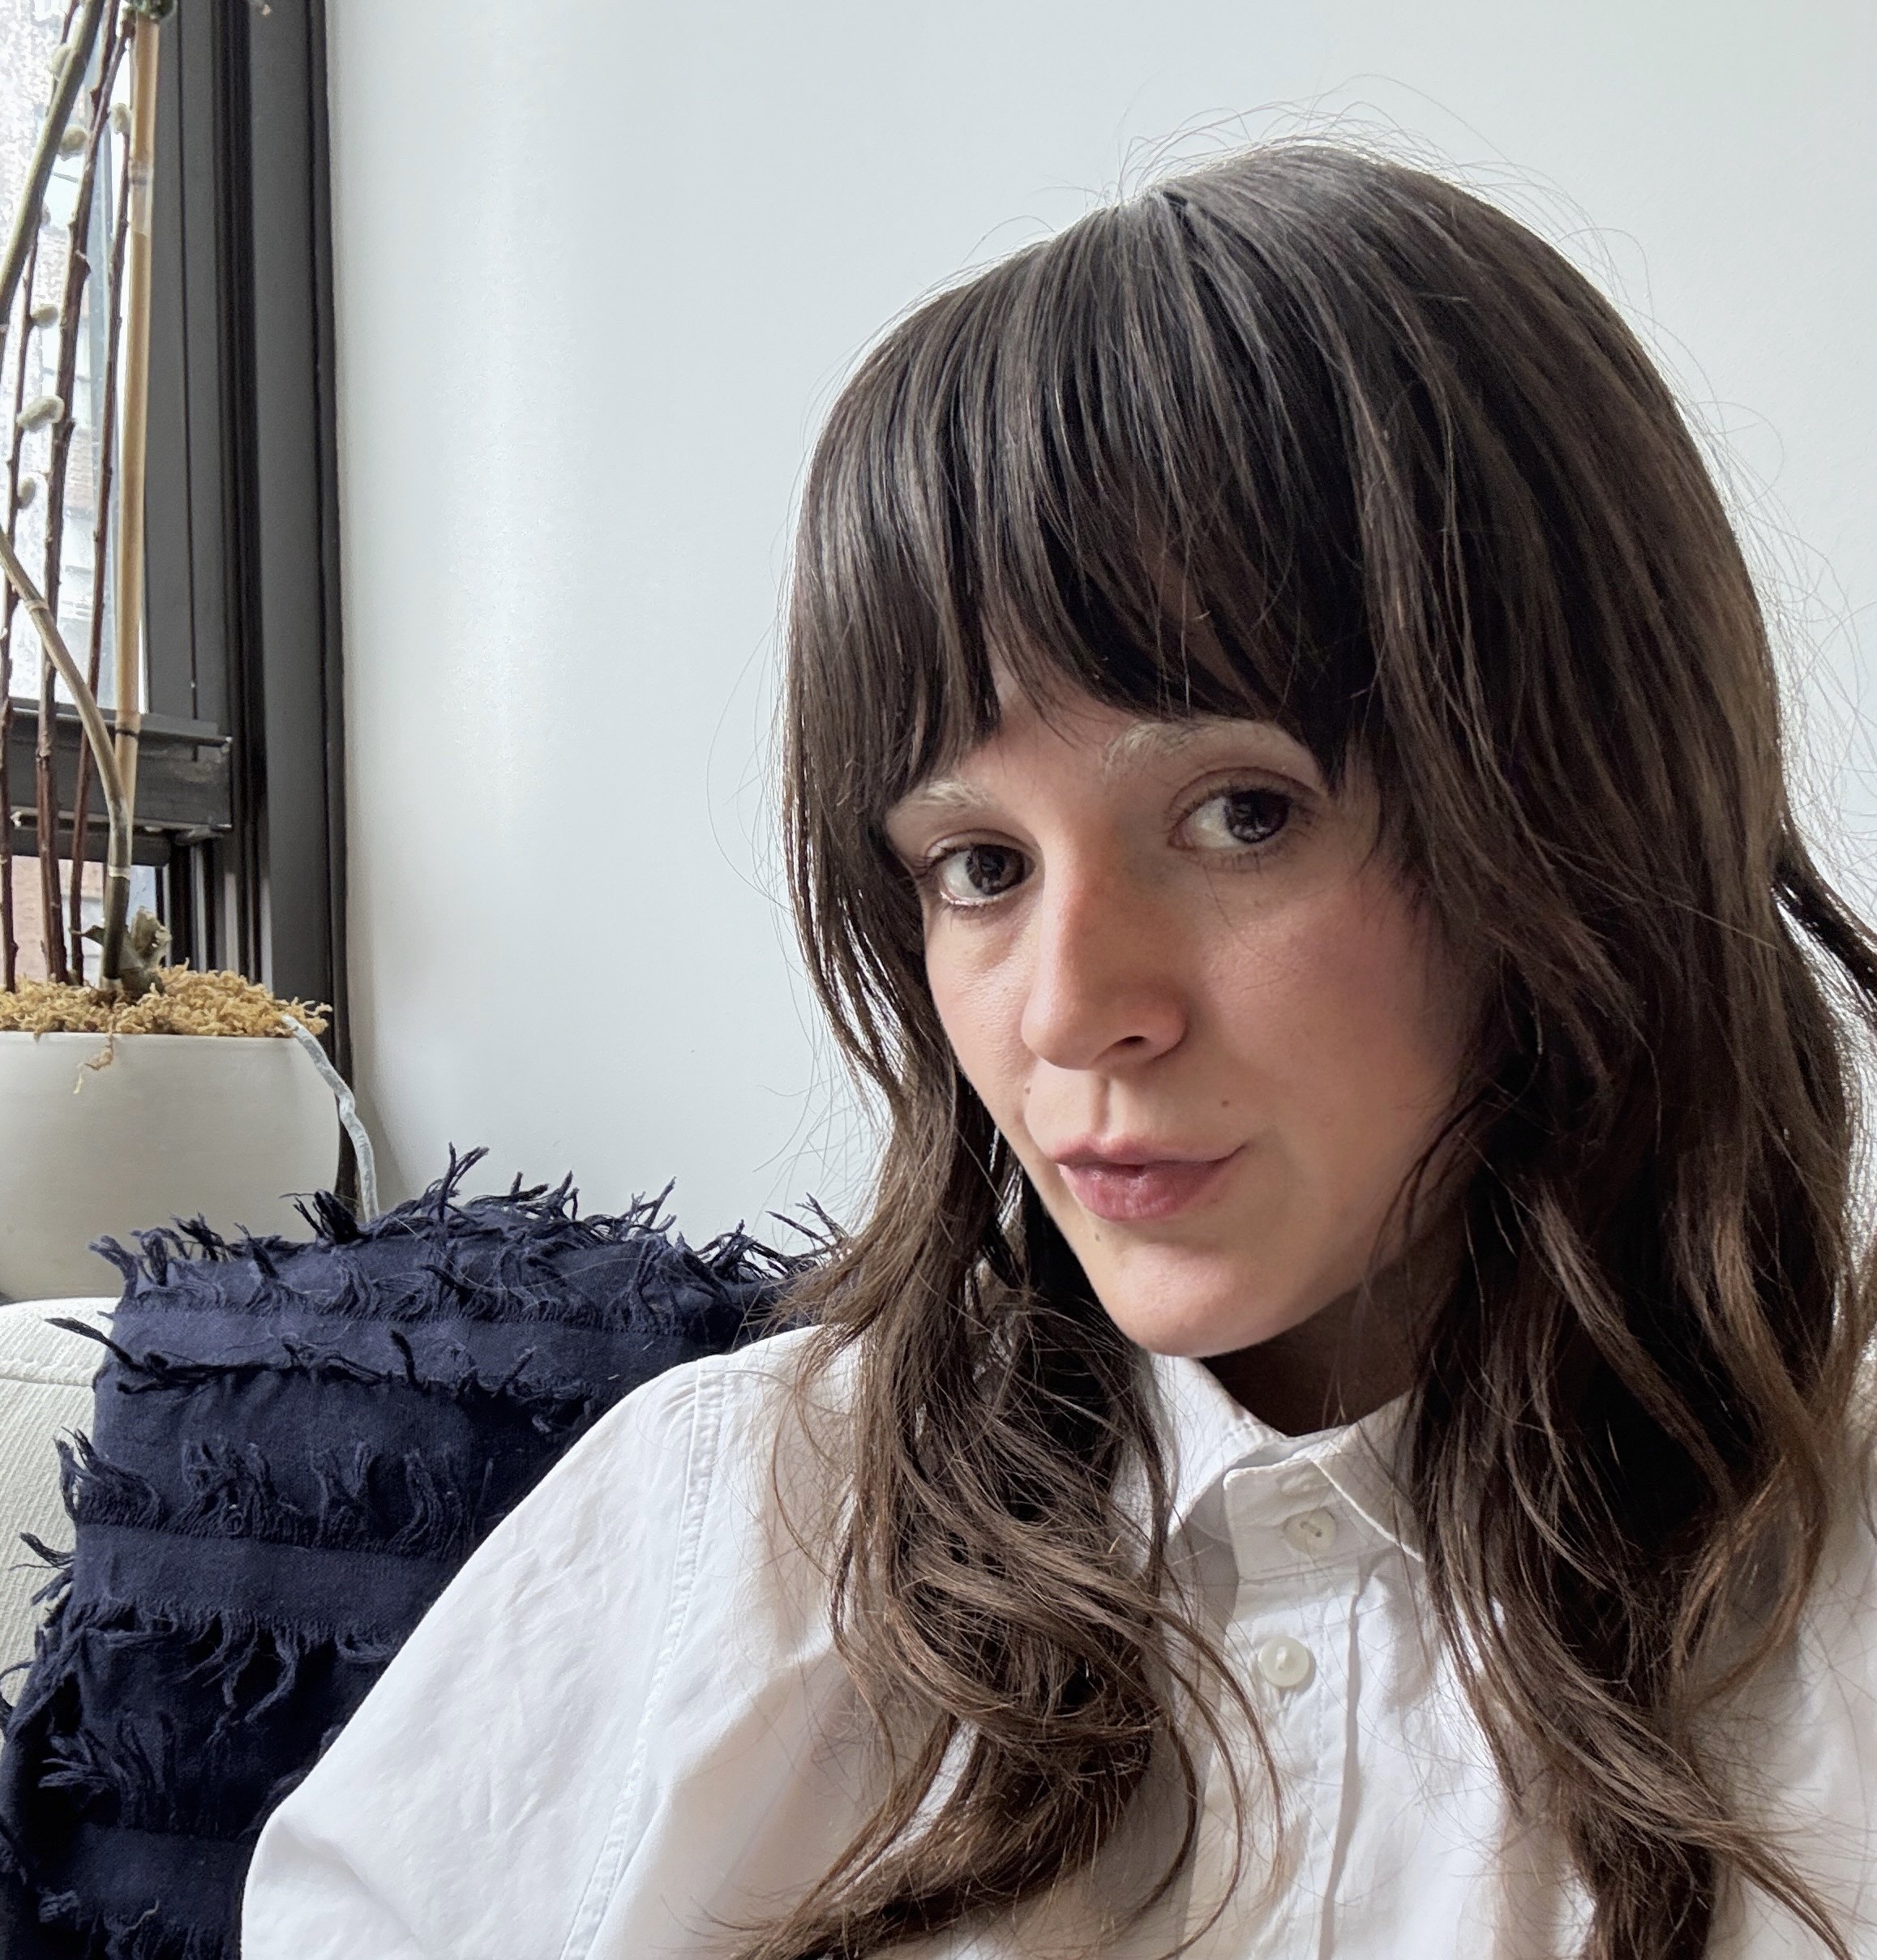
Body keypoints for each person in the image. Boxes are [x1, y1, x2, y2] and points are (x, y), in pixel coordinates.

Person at [238, 143, 1877, 1960]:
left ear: (1581, 813)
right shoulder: (733, 1522)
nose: (1068, 1005)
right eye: (979, 864)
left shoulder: (1833, 1608)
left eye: (1243, 814)